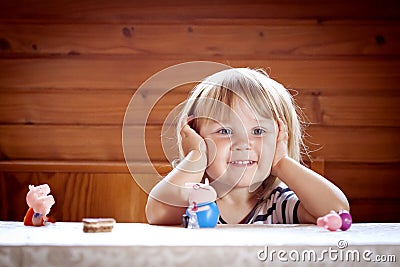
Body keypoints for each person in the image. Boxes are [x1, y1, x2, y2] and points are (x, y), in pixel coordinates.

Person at [146, 67, 349, 225]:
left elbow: (337, 211)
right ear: (196, 135)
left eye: (258, 131)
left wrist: (281, 163)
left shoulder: (279, 203)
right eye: (225, 131)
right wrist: (196, 156)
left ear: (280, 139)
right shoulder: (194, 202)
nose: (243, 144)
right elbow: (157, 212)